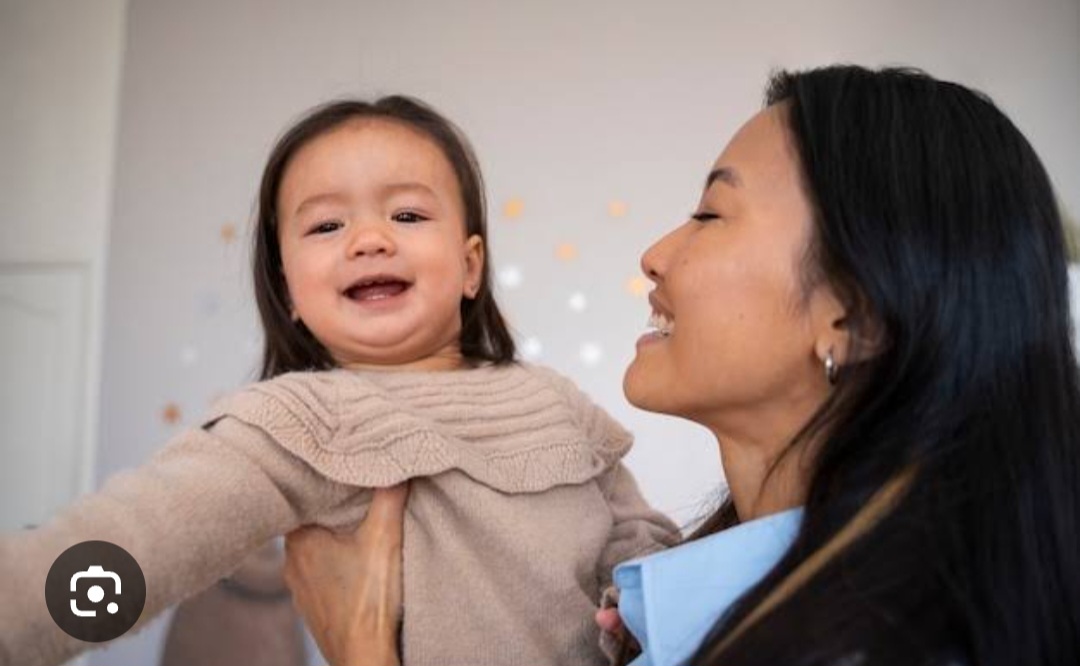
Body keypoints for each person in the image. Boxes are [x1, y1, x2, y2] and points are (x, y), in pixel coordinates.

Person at [283, 66, 1080, 666]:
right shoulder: (678, 609)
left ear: (854, 314)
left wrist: (359, 649)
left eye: (710, 213)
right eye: (323, 225)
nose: (656, 255)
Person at [0, 97, 678, 666]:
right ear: (288, 287)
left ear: (471, 267)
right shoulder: (296, 423)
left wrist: (633, 597)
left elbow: (632, 526)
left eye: (407, 215)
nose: (369, 238)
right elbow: (138, 544)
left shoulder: (554, 401)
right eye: (326, 224)